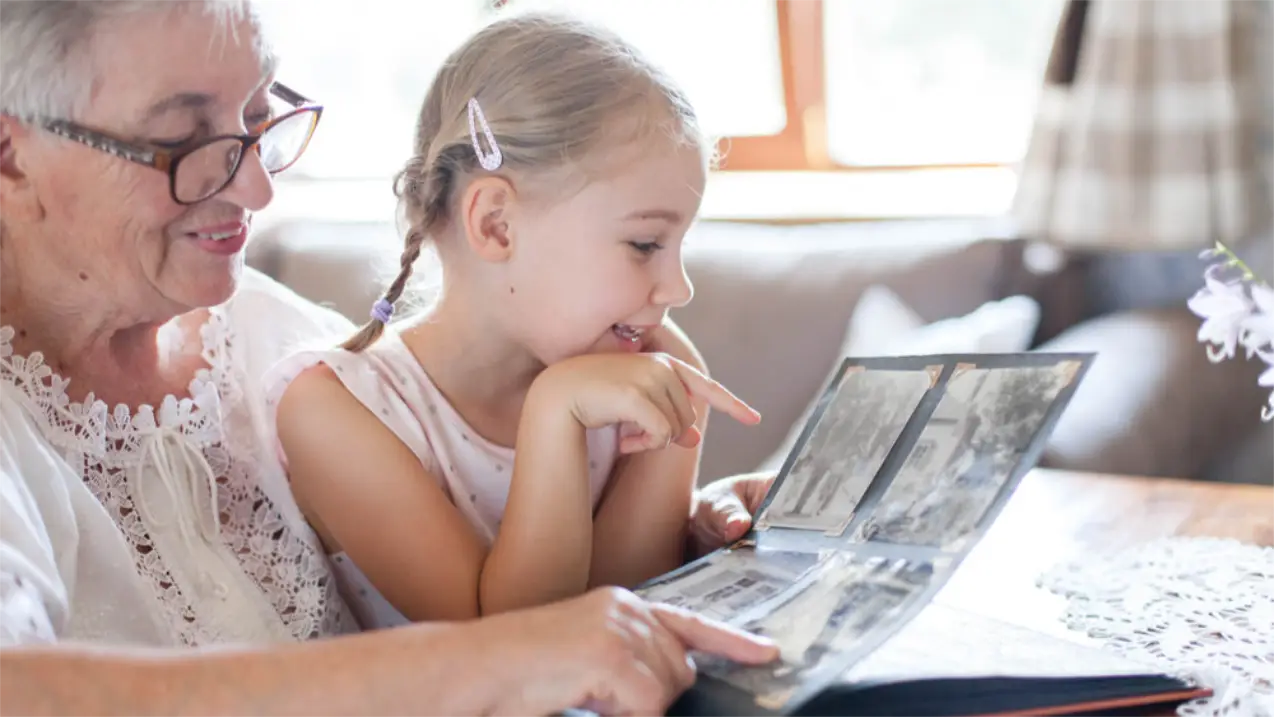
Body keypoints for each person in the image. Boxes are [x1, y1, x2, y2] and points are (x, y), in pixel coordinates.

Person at [0, 1, 778, 714]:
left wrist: (690, 525)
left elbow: (558, 561)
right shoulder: (323, 393)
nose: (260, 189)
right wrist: (506, 656)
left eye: (261, 116)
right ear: (11, 152)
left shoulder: (271, 331)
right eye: (187, 139)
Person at [264, 13, 761, 627]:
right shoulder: (335, 412)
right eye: (644, 244)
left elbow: (626, 610)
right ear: (496, 223)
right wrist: (555, 412)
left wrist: (697, 524)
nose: (678, 288)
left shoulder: (652, 362)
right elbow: (520, 642)